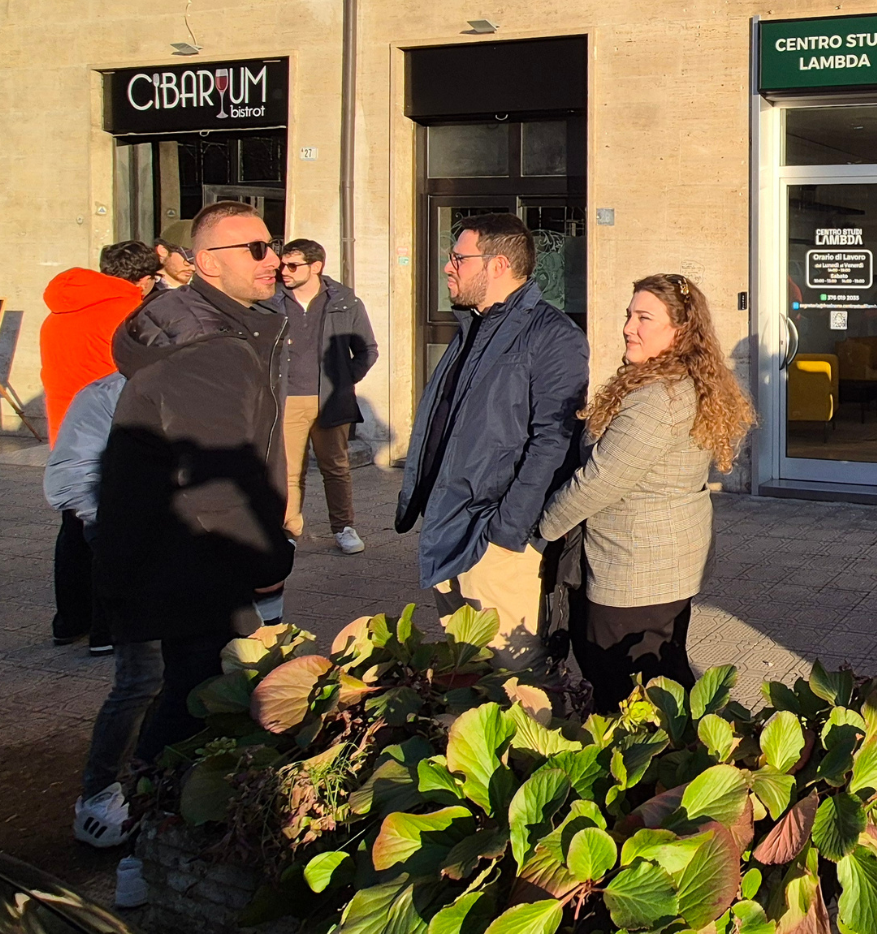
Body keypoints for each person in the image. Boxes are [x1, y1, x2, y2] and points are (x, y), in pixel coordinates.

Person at [96, 200, 296, 762]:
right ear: (207, 263)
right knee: (196, 700)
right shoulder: (211, 348)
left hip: (176, 552)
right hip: (190, 557)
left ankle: (153, 809)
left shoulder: (198, 323)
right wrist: (266, 559)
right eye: (255, 249)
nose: (272, 260)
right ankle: (149, 822)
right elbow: (215, 476)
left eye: (273, 245)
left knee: (191, 688)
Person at [538, 275, 755, 711]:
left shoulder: (659, 400)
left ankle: (673, 770)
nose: (628, 326)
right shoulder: (675, 382)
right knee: (664, 678)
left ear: (679, 331)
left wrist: (541, 527)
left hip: (636, 571)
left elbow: (600, 480)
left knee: (628, 688)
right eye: (628, 315)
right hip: (663, 564)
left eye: (644, 317)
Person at [399, 214, 588, 671]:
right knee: (463, 668)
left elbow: (554, 442)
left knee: (513, 675)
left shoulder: (553, 336)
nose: (448, 267)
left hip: (496, 541)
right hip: (449, 525)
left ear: (498, 264)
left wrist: (507, 531)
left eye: (458, 258)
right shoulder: (474, 327)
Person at [47, 370, 161, 850]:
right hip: (136, 554)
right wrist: (116, 532)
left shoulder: (224, 378)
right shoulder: (108, 394)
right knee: (142, 678)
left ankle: (164, 789)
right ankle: (98, 794)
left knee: (200, 675)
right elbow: (70, 477)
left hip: (208, 555)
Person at [41, 241, 158, 653]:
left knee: (72, 532)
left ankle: (67, 622)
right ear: (142, 280)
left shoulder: (57, 312)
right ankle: (105, 631)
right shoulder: (127, 314)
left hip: (65, 434)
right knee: (111, 535)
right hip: (107, 435)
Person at [275, 238, 378, 554]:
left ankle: (344, 528)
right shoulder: (272, 300)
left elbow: (367, 350)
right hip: (287, 397)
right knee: (290, 469)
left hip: (330, 399)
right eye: (283, 264)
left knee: (336, 467)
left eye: (293, 265)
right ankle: (289, 532)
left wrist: (344, 380)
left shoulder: (345, 302)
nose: (285, 271)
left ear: (316, 266)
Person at [153, 219, 195, 290]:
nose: (193, 268)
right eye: (188, 262)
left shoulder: (207, 291)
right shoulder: (144, 290)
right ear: (163, 251)